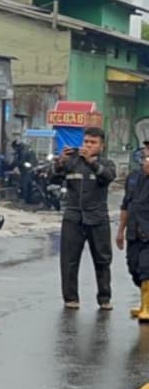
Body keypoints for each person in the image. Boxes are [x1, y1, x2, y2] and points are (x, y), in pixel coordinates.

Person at [51, 127, 116, 310]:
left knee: (102, 260)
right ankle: (70, 298)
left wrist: (91, 162)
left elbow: (108, 177)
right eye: (86, 141)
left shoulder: (107, 163)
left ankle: (104, 298)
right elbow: (53, 180)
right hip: (73, 217)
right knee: (69, 260)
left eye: (93, 142)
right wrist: (60, 163)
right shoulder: (72, 162)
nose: (88, 145)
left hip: (98, 217)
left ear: (101, 146)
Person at [117, 152, 149, 321]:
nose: (146, 159)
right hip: (133, 231)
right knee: (134, 267)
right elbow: (126, 204)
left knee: (146, 269)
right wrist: (120, 231)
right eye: (145, 156)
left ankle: (147, 306)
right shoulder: (133, 178)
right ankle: (144, 302)